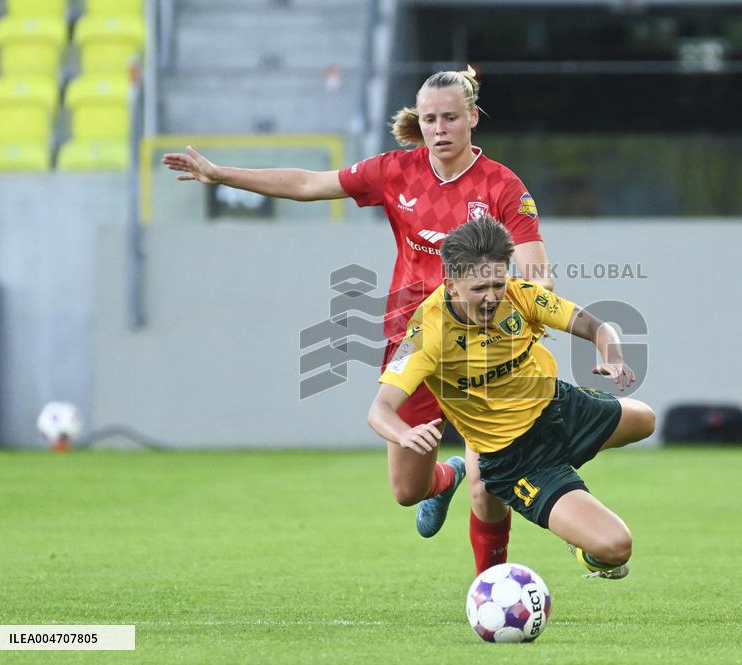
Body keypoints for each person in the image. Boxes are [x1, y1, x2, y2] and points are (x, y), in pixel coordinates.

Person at [162, 67, 553, 573]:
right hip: (414, 345)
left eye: (451, 117)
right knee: (407, 491)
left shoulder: (502, 186)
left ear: (472, 118)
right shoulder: (396, 172)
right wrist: (222, 174)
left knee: (489, 482)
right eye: (430, 118)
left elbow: (535, 268)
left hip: (481, 348)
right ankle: (445, 478)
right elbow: (308, 183)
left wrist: (530, 305)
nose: (439, 128)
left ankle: (490, 588)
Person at [367, 217, 656, 579]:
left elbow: (594, 325)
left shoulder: (519, 293)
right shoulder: (426, 331)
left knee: (646, 419)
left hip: (559, 407)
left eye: (497, 284)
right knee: (616, 547)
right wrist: (405, 435)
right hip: (517, 456)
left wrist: (611, 357)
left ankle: (565, 494)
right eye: (478, 289)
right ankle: (582, 542)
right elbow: (379, 409)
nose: (491, 298)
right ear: (451, 286)